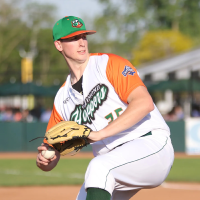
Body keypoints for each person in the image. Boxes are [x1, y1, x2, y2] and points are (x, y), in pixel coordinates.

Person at [36, 16, 174, 200]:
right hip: (114, 161)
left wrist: (99, 134)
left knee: (99, 167)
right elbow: (52, 150)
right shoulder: (62, 99)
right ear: (59, 45)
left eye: (84, 36)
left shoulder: (108, 63)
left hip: (150, 144)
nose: (81, 42)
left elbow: (144, 103)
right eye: (73, 38)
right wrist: (46, 160)